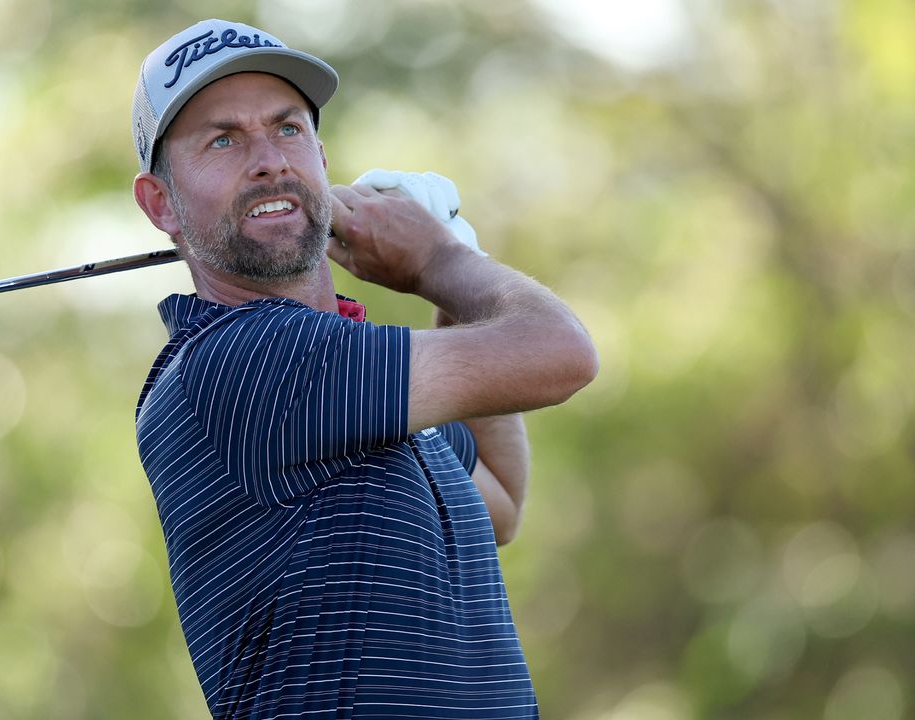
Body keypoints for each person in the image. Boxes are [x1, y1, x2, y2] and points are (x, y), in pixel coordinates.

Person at [130, 18, 597, 719]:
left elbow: (499, 500)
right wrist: (440, 261)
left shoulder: (358, 379)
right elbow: (563, 355)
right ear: (160, 203)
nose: (268, 161)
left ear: (321, 155)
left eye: (287, 129)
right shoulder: (238, 363)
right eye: (222, 140)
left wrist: (451, 270)